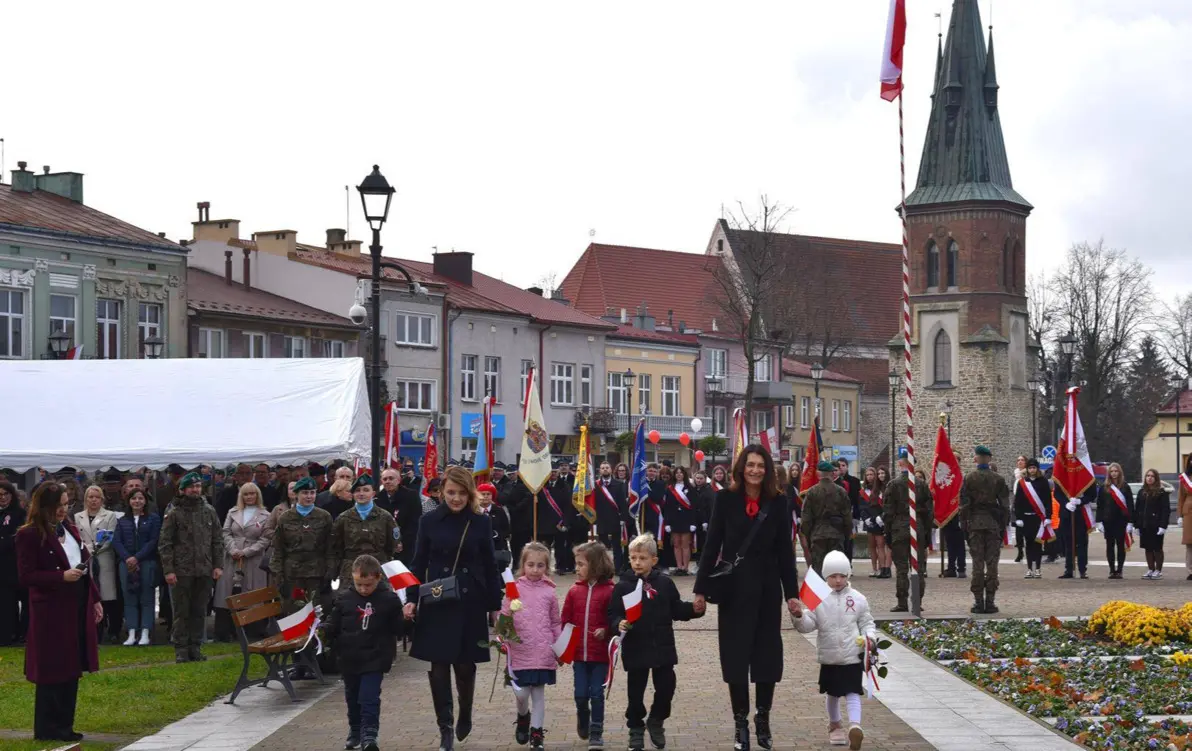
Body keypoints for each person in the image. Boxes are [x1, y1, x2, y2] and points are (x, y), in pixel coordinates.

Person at [693, 444, 800, 751]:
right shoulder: (725, 499)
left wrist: (791, 594)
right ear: (741, 468)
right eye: (750, 465)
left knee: (767, 657)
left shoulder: (778, 502)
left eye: (761, 465)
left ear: (767, 470)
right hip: (734, 590)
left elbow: (784, 553)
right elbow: (712, 545)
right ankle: (740, 723)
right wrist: (700, 589)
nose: (755, 470)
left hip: (767, 590)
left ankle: (762, 718)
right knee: (735, 657)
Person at [403, 466, 503, 751]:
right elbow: (418, 562)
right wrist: (411, 598)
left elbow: (490, 564)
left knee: (464, 664)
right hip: (437, 599)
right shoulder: (429, 521)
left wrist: (495, 605)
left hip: (470, 600)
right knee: (438, 666)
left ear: (469, 493)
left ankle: (466, 711)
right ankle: (444, 726)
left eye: (461, 493)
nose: (456, 499)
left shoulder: (480, 522)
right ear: (441, 492)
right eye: (450, 493)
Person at [15, 481, 102, 742]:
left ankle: (65, 724)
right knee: (53, 669)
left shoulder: (71, 530)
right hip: (49, 611)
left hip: (75, 605)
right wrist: (59, 576)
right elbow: (26, 575)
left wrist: (95, 600)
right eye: (59, 505)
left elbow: (84, 566)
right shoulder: (28, 534)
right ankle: (47, 728)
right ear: (45, 506)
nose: (64, 510)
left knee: (72, 666)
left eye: (66, 504)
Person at [609, 533, 703, 751]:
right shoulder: (623, 586)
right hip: (636, 647)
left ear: (654, 560)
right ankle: (635, 727)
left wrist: (694, 610)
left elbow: (676, 608)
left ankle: (657, 719)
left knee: (666, 687)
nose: (637, 562)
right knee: (635, 693)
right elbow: (613, 613)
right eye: (633, 558)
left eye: (642, 558)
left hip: (662, 646)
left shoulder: (664, 583)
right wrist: (618, 623)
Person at [794, 550, 875, 750]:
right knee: (832, 694)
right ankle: (835, 725)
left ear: (848, 575)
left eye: (842, 576)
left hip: (852, 656)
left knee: (853, 691)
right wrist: (797, 616)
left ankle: (855, 726)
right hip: (829, 657)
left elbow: (867, 622)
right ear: (825, 577)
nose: (838, 580)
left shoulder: (858, 599)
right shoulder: (818, 599)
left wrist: (870, 639)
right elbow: (808, 625)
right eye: (832, 576)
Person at [325, 554, 404, 751]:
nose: (363, 589)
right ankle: (355, 730)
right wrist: (323, 629)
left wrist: (407, 619)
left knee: (369, 697)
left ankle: (370, 733)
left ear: (378, 578)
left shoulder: (389, 599)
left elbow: (399, 629)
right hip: (350, 657)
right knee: (352, 696)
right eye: (359, 584)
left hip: (375, 657)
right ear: (353, 577)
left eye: (368, 585)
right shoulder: (344, 598)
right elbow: (333, 623)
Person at [500, 541, 561, 749]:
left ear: (547, 567)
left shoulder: (550, 592)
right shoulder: (513, 589)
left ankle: (536, 733)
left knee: (538, 693)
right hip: (520, 651)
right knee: (521, 693)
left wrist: (558, 645)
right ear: (523, 565)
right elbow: (504, 617)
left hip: (543, 651)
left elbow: (555, 621)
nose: (535, 570)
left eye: (540, 565)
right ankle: (523, 715)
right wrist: (503, 635)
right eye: (531, 565)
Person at [158, 471, 224, 663]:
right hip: (181, 569)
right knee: (181, 611)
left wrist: (218, 565)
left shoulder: (209, 510)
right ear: (183, 489)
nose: (195, 490)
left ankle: (196, 647)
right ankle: (181, 649)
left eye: (198, 486)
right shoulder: (174, 512)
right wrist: (169, 570)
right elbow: (165, 543)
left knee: (199, 610)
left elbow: (217, 539)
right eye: (191, 487)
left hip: (204, 568)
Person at [563, 541, 615, 749]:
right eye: (576, 564)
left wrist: (607, 630)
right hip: (579, 654)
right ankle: (583, 717)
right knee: (580, 694)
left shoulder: (610, 591)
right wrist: (562, 648)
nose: (577, 568)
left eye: (581, 564)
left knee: (597, 693)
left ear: (595, 565)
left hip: (600, 655)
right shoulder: (574, 591)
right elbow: (564, 621)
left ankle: (596, 731)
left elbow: (615, 619)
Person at [214, 481, 274, 639]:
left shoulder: (266, 515)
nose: (249, 497)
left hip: (254, 559)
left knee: (253, 594)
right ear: (241, 496)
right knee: (228, 592)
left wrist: (247, 552)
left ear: (257, 495)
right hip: (232, 558)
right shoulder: (232, 512)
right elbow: (225, 532)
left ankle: (253, 632)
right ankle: (226, 632)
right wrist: (233, 549)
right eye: (246, 494)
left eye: (252, 493)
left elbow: (266, 539)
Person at [271, 476, 335, 613]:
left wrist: (330, 572)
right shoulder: (285, 518)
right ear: (296, 494)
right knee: (293, 613)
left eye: (312, 492)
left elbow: (330, 548)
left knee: (316, 613)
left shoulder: (324, 516)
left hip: (316, 574)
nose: (309, 496)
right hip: (292, 574)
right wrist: (279, 578)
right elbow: (278, 549)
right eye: (305, 493)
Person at [958, 446, 1010, 614]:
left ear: (977, 458)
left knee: (977, 564)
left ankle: (979, 601)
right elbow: (1005, 506)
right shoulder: (998, 479)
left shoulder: (969, 478)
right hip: (993, 524)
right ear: (989, 459)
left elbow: (964, 505)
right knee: (992, 564)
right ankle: (991, 601)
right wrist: (1003, 525)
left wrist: (964, 523)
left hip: (975, 524)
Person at [884, 450, 934, 613]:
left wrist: (888, 532)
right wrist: (926, 532)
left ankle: (902, 602)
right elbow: (928, 511)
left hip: (899, 526)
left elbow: (888, 512)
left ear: (900, 463)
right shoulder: (921, 484)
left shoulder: (893, 484)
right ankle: (917, 601)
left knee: (901, 568)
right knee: (917, 567)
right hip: (916, 526)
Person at [74, 485, 124, 643]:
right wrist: (86, 550)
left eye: (96, 497)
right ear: (85, 499)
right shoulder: (77, 517)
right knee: (90, 595)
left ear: (102, 499)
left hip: (104, 557)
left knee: (107, 596)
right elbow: (77, 538)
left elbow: (109, 538)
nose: (93, 500)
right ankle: (93, 631)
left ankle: (113, 630)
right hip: (85, 559)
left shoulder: (110, 516)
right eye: (90, 497)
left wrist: (92, 549)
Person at [112, 488, 160, 645]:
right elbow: (117, 541)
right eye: (134, 499)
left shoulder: (153, 519)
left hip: (146, 562)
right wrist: (127, 558)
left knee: (147, 597)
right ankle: (132, 632)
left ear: (145, 501)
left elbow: (153, 541)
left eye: (140, 498)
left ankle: (145, 632)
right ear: (129, 501)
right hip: (126, 564)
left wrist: (137, 557)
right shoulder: (122, 520)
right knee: (129, 598)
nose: (137, 501)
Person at [331, 475, 397, 587]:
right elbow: (336, 546)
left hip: (378, 569)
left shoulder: (385, 517)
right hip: (350, 572)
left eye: (366, 490)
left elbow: (392, 545)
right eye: (357, 490)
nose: (361, 494)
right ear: (352, 494)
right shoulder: (343, 518)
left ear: (373, 493)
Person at [802, 461, 853, 575]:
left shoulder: (812, 492)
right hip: (836, 534)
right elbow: (848, 518)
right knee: (835, 570)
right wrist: (846, 534)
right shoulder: (841, 491)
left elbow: (806, 519)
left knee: (819, 570)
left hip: (818, 534)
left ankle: (821, 592)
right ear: (831, 474)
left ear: (818, 474)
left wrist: (809, 535)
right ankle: (834, 592)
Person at [1012, 459, 1052, 579]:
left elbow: (1047, 501)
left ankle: (1038, 568)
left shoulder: (1043, 482)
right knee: (1028, 544)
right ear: (1027, 469)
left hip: (1038, 518)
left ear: (1037, 469)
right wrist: (1018, 517)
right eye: (1030, 468)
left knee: (1038, 544)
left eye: (1034, 468)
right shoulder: (1022, 483)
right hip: (1026, 518)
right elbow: (1018, 502)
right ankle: (1029, 569)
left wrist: (1048, 517)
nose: (1032, 470)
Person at [593, 462, 634, 573]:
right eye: (602, 468)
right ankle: (603, 568)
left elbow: (622, 503)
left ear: (611, 470)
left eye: (607, 468)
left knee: (617, 546)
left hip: (615, 519)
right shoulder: (595, 485)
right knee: (602, 547)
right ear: (599, 471)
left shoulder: (619, 484)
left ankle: (618, 568)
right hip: (601, 519)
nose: (605, 470)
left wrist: (623, 518)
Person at [1095, 463, 1134, 580]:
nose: (1114, 473)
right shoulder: (1104, 487)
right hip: (1108, 521)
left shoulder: (1125, 487)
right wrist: (1099, 521)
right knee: (1110, 546)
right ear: (1109, 473)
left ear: (1120, 472)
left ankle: (1120, 570)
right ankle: (1112, 570)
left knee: (1121, 546)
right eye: (1112, 471)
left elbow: (1130, 505)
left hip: (1121, 521)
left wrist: (1131, 522)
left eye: (1116, 471)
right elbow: (1100, 505)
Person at [0, 479, 27, 646]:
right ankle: (7, 634)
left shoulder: (19, 513)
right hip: (2, 566)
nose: (2, 498)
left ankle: (22, 633)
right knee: (5, 602)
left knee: (23, 600)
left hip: (16, 563)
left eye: (5, 494)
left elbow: (18, 537)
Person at [1136, 468, 1172, 579]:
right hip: (1144, 524)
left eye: (1152, 476)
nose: (1149, 478)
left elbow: (1165, 510)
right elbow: (1138, 509)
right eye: (1147, 476)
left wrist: (1163, 525)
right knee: (1148, 548)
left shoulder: (1161, 492)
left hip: (1156, 525)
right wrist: (1137, 525)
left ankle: (1158, 570)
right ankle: (1150, 569)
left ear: (1156, 478)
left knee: (1157, 548)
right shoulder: (1142, 492)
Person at [663, 466, 699, 575]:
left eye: (681, 473)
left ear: (684, 474)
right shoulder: (670, 489)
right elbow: (667, 507)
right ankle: (679, 567)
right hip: (674, 520)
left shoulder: (690, 488)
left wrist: (693, 522)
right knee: (676, 544)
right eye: (677, 473)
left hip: (686, 519)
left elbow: (694, 507)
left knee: (685, 544)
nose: (679, 474)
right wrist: (667, 523)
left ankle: (685, 568)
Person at [1055, 481, 1094, 580]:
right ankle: (1069, 569)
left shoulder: (1085, 474)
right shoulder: (1063, 474)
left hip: (1082, 512)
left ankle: (1082, 570)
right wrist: (1065, 503)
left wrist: (1081, 501)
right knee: (1068, 543)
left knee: (1082, 543)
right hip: (1067, 512)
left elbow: (1092, 494)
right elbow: (1057, 493)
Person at [859, 468, 887, 579]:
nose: (869, 477)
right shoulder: (863, 491)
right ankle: (874, 568)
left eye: (871, 474)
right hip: (868, 520)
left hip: (879, 520)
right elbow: (861, 506)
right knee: (871, 546)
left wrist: (879, 518)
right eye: (867, 475)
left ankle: (882, 568)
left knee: (880, 545)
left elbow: (882, 505)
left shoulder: (881, 489)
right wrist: (865, 518)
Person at [835, 459, 861, 561]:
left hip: (850, 514)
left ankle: (848, 564)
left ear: (847, 466)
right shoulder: (833, 482)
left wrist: (856, 517)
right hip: (837, 516)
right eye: (839, 465)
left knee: (849, 541)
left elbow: (857, 501)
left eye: (843, 465)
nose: (841, 467)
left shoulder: (854, 481)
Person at [1177, 456, 1192, 580]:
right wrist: (1180, 516)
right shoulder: (1184, 479)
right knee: (1190, 543)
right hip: (1189, 512)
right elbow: (1181, 497)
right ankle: (1191, 570)